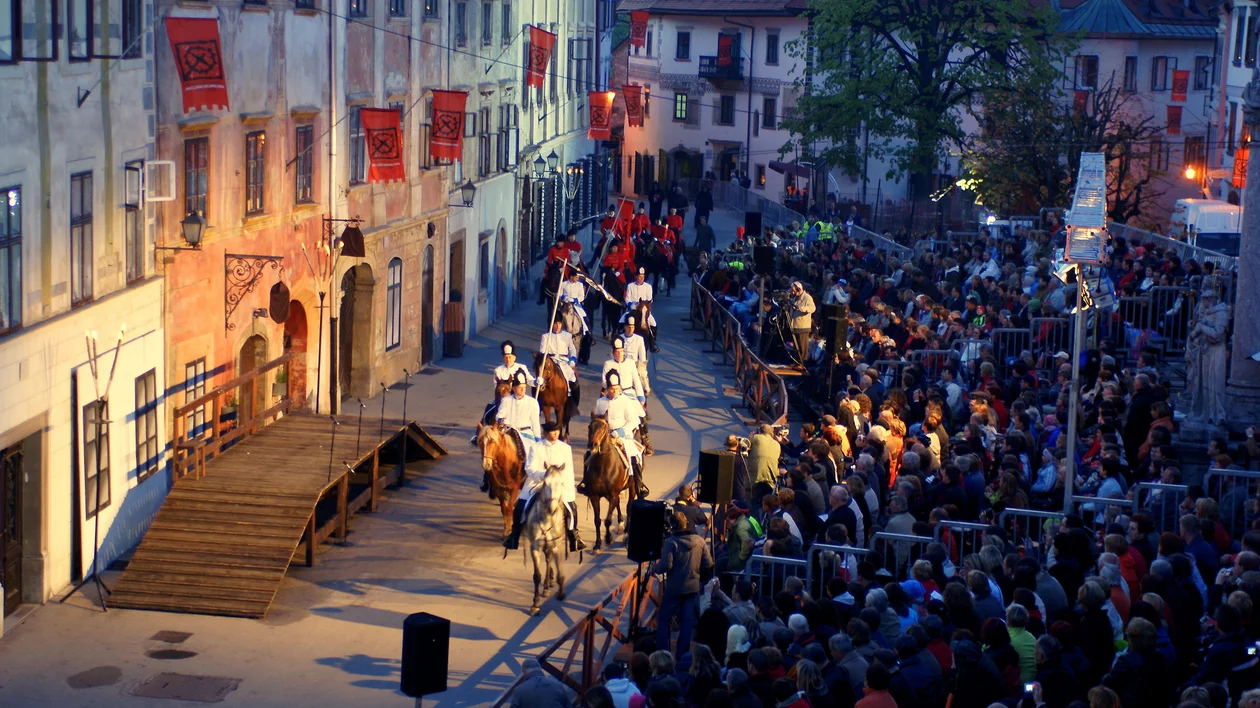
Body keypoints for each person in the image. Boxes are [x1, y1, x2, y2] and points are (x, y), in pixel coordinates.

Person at [655, 510, 714, 655]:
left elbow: (666, 566)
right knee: (687, 622)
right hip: (692, 587)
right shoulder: (699, 540)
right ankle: (682, 654)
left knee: (664, 619)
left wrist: (655, 568)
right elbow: (709, 563)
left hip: (674, 588)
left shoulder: (671, 542)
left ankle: (663, 654)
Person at [539, 317, 580, 400]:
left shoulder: (567, 336)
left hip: (563, 361)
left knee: (573, 378)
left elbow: (572, 349)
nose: (557, 326)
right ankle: (538, 404)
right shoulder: (546, 336)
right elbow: (542, 352)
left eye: (559, 323)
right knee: (539, 379)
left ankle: (573, 401)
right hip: (551, 361)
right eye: (555, 323)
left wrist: (573, 359)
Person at [624, 267, 659, 351]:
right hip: (632, 309)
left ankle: (653, 343)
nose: (641, 278)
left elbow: (650, 298)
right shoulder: (630, 286)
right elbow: (627, 298)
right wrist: (631, 304)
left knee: (654, 324)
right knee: (621, 320)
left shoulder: (648, 287)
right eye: (639, 276)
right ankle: (620, 338)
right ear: (636, 277)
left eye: (642, 277)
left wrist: (644, 305)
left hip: (643, 310)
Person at [748, 424, 782, 503]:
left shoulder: (756, 437)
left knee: (750, 495)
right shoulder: (777, 444)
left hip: (756, 475)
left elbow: (746, 445)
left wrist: (750, 437)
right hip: (771, 476)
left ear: (760, 432)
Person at [620, 316, 652, 397]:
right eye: (629, 327)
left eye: (632, 327)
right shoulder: (620, 338)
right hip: (622, 364)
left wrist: (643, 366)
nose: (631, 329)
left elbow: (642, 356)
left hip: (635, 365)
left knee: (642, 379)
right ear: (625, 327)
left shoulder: (639, 339)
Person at [788, 280, 817, 365]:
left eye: (794, 290)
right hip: (795, 325)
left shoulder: (807, 297)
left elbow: (813, 308)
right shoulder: (795, 297)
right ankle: (796, 362)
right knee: (796, 346)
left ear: (799, 289)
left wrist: (804, 309)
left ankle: (802, 363)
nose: (793, 292)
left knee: (802, 347)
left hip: (803, 326)